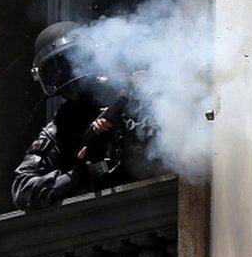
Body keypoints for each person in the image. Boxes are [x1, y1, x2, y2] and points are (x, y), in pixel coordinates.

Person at [11, 22, 150, 210]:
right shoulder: (61, 127)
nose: (73, 83)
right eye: (59, 70)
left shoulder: (130, 97)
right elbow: (22, 190)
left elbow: (167, 144)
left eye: (71, 63)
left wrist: (125, 129)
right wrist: (74, 177)